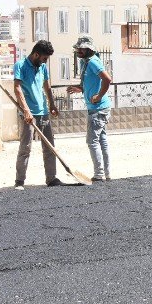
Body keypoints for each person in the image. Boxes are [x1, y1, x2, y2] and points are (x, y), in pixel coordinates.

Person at [13, 40, 60, 190]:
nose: (45, 61)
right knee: (25, 147)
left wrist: (52, 104)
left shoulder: (43, 67)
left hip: (43, 112)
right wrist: (26, 110)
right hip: (28, 114)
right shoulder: (20, 66)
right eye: (44, 58)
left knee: (50, 147)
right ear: (36, 54)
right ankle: (19, 181)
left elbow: (47, 86)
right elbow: (17, 89)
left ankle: (51, 178)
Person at [67, 36, 112, 182]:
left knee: (92, 140)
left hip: (98, 108)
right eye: (77, 48)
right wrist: (79, 88)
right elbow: (90, 82)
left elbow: (107, 79)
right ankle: (106, 173)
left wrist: (99, 96)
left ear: (89, 49)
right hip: (97, 107)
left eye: (81, 48)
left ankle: (99, 174)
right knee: (101, 140)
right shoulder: (85, 62)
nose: (78, 51)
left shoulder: (93, 62)